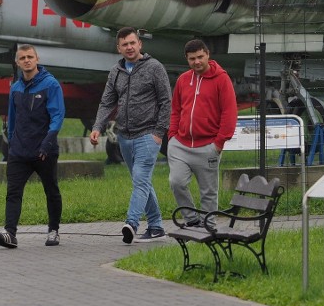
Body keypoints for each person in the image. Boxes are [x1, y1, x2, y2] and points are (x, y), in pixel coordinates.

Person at [90, 27, 171, 244]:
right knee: (140, 181)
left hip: (148, 134)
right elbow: (107, 101)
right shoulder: (116, 72)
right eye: (125, 44)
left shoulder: (154, 68)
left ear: (140, 44)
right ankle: (156, 227)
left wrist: (159, 133)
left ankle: (131, 224)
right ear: (119, 48)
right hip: (125, 136)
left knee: (141, 179)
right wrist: (98, 126)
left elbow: (166, 101)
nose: (129, 47)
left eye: (133, 43)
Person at [0, 44, 65, 249]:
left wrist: (47, 143)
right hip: (19, 152)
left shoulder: (51, 85)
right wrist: (12, 143)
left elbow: (57, 117)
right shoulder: (15, 88)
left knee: (51, 190)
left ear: (37, 59)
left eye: (30, 56)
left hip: (44, 150)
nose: (27, 60)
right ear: (17, 62)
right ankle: (10, 234)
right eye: (22, 58)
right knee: (13, 192)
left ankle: (54, 230)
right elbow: (12, 120)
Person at [167, 39, 238, 229]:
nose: (197, 61)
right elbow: (175, 110)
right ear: (187, 59)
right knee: (176, 182)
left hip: (208, 146)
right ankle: (191, 219)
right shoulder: (183, 80)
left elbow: (229, 112)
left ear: (207, 54)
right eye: (192, 59)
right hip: (180, 144)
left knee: (208, 191)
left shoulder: (222, 79)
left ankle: (208, 226)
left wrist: (219, 143)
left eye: (200, 57)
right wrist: (172, 135)